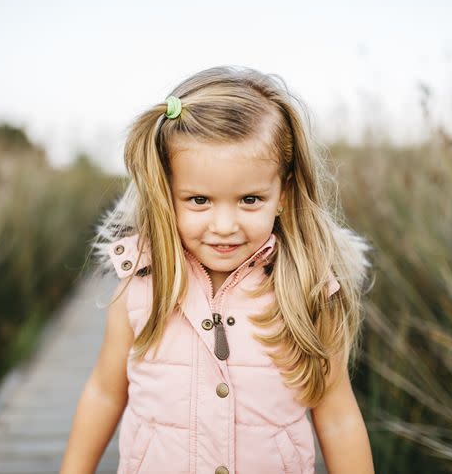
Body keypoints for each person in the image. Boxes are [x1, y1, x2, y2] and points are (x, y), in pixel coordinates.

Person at [60, 65, 375, 474]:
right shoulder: (140, 285)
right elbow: (105, 392)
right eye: (199, 201)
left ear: (284, 193)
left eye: (249, 200)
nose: (224, 226)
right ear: (166, 193)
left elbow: (337, 417)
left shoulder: (309, 290)